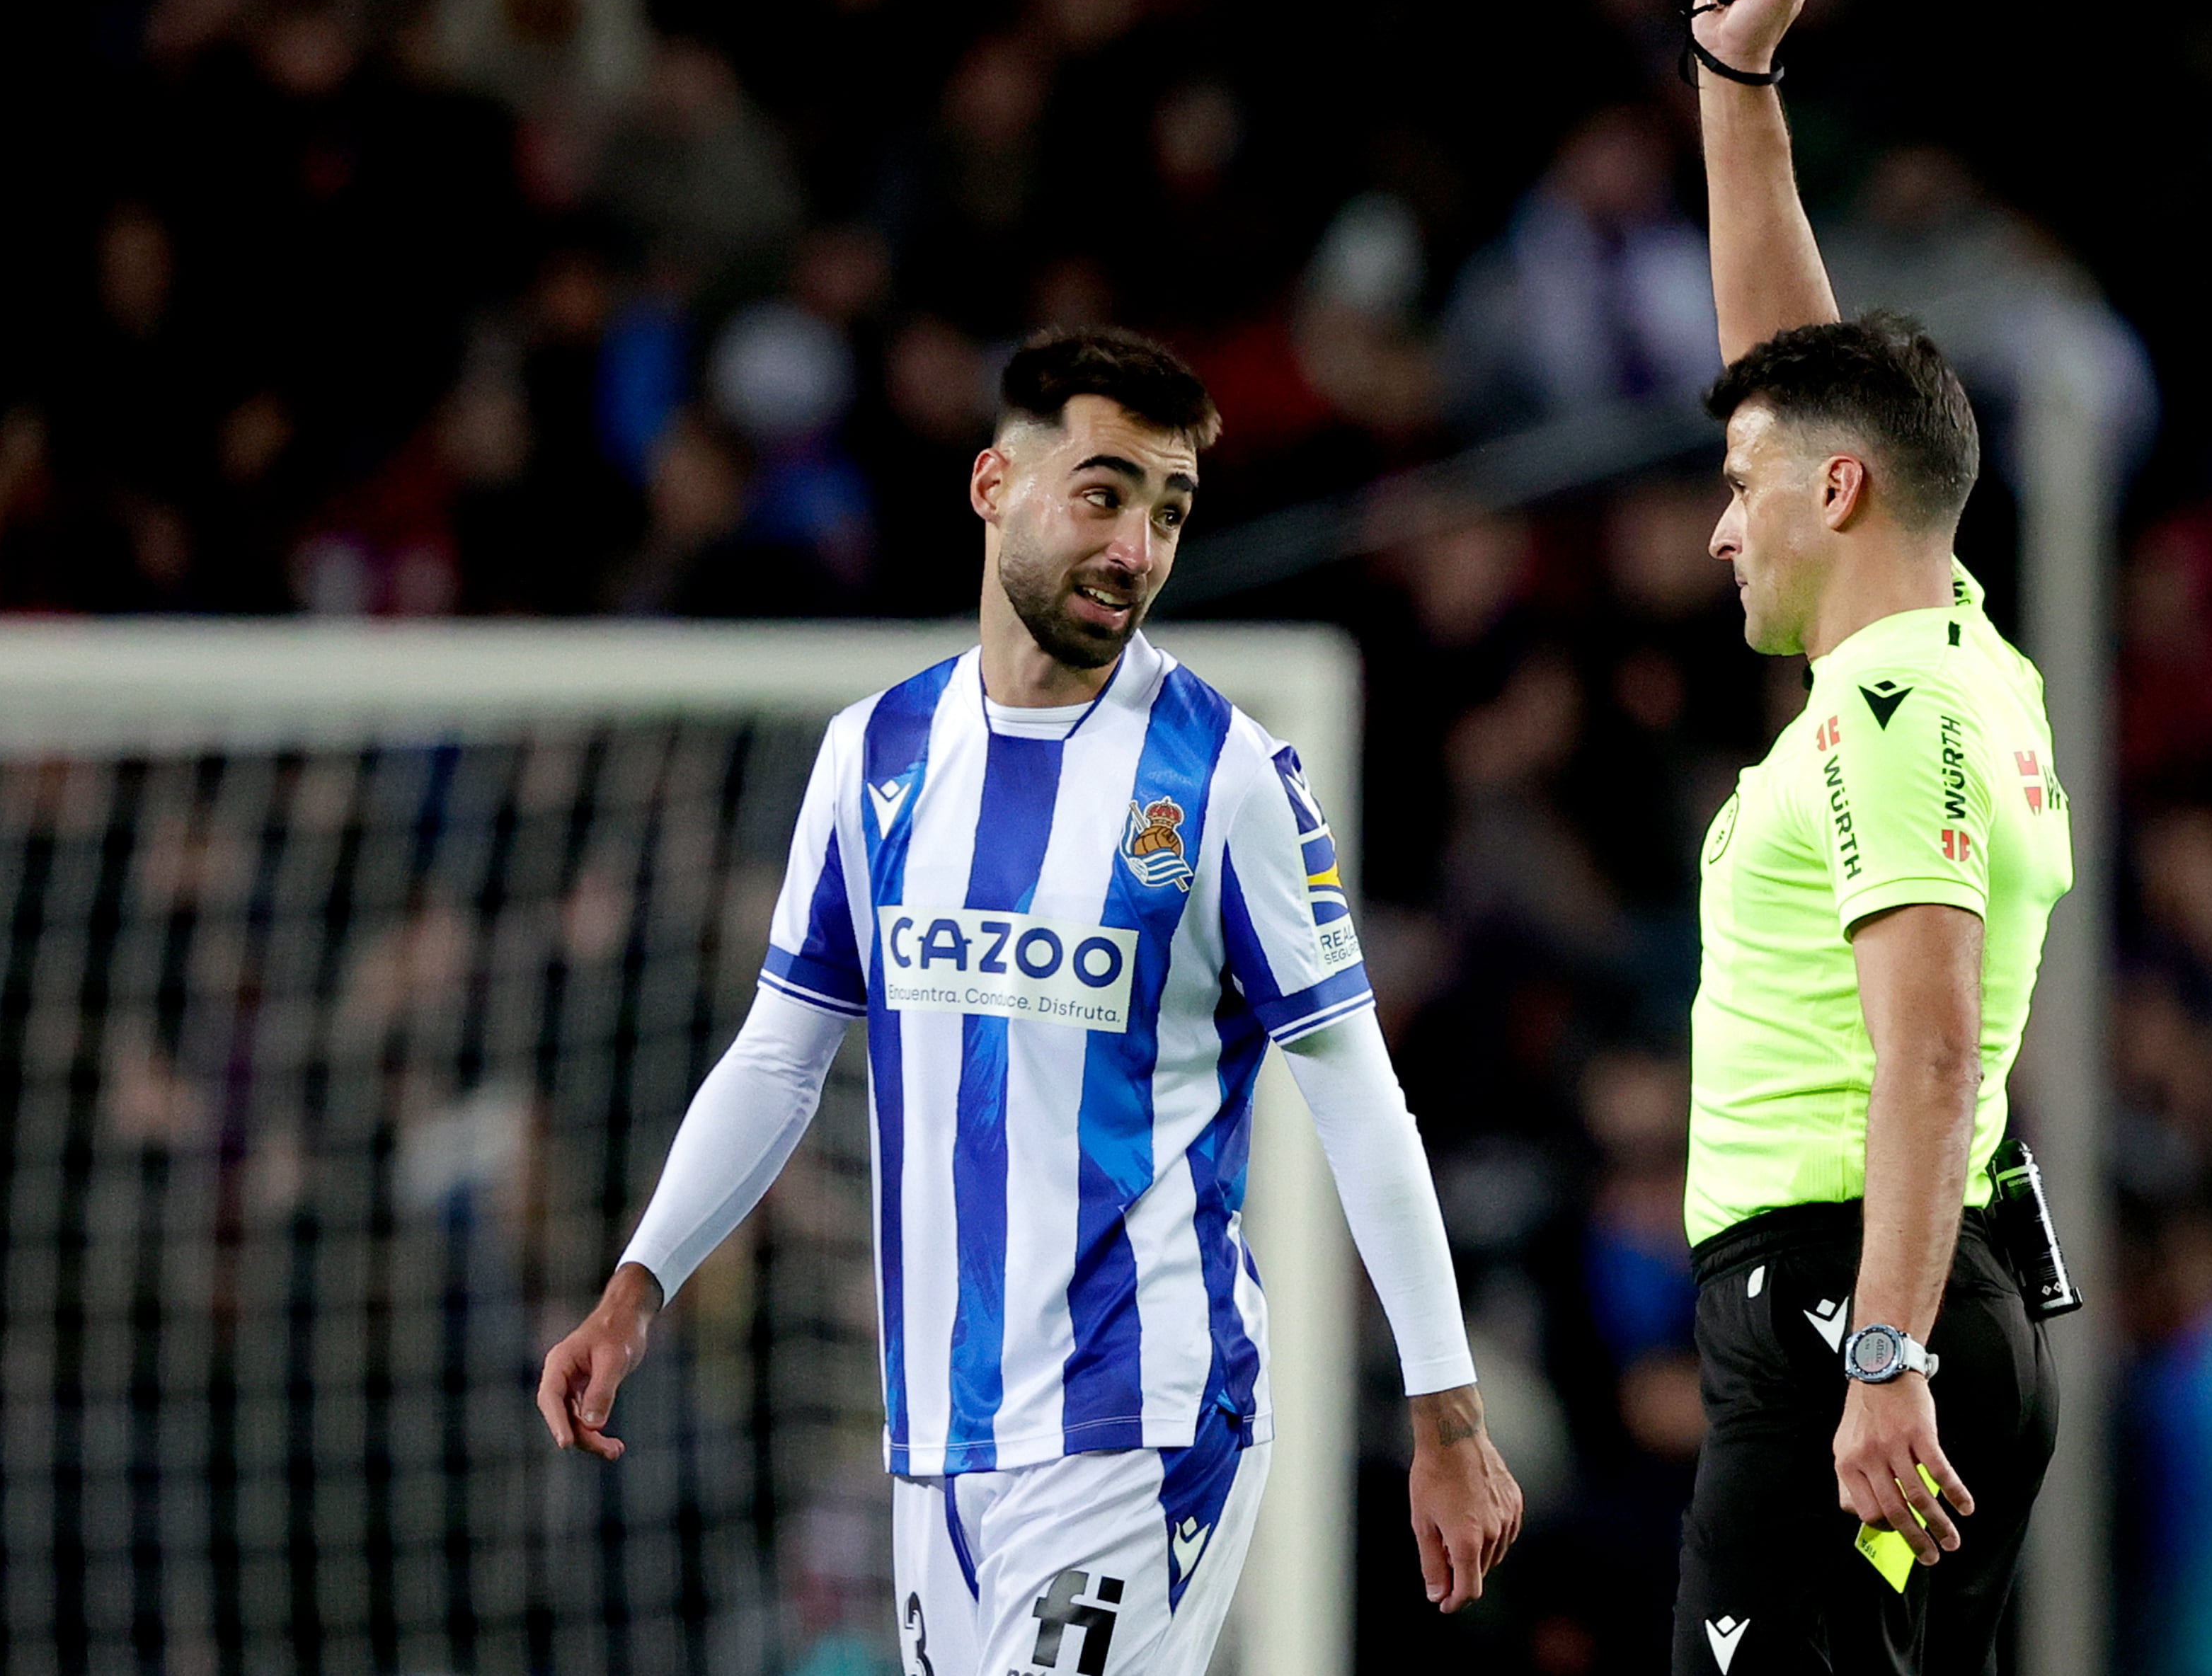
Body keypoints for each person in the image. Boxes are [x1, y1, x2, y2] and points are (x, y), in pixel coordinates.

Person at [537, 327, 1521, 1675]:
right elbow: (779, 1057)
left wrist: (1447, 1412)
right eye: (1104, 494)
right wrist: (638, 1286)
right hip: (937, 1433)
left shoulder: (1227, 777)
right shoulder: (873, 752)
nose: (1137, 547)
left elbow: (1357, 1097)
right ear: (995, 485)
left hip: (1145, 1411)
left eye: (1169, 513)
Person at [1670, 0, 2072, 1676]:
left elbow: (1926, 1040)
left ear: (1835, 495)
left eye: (1741, 488)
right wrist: (1736, 89)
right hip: (1872, 1291)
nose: (1716, 522)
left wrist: (1881, 1355)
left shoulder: (1898, 704)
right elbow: (1798, 386)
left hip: (1850, 1295)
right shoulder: (1949, 647)